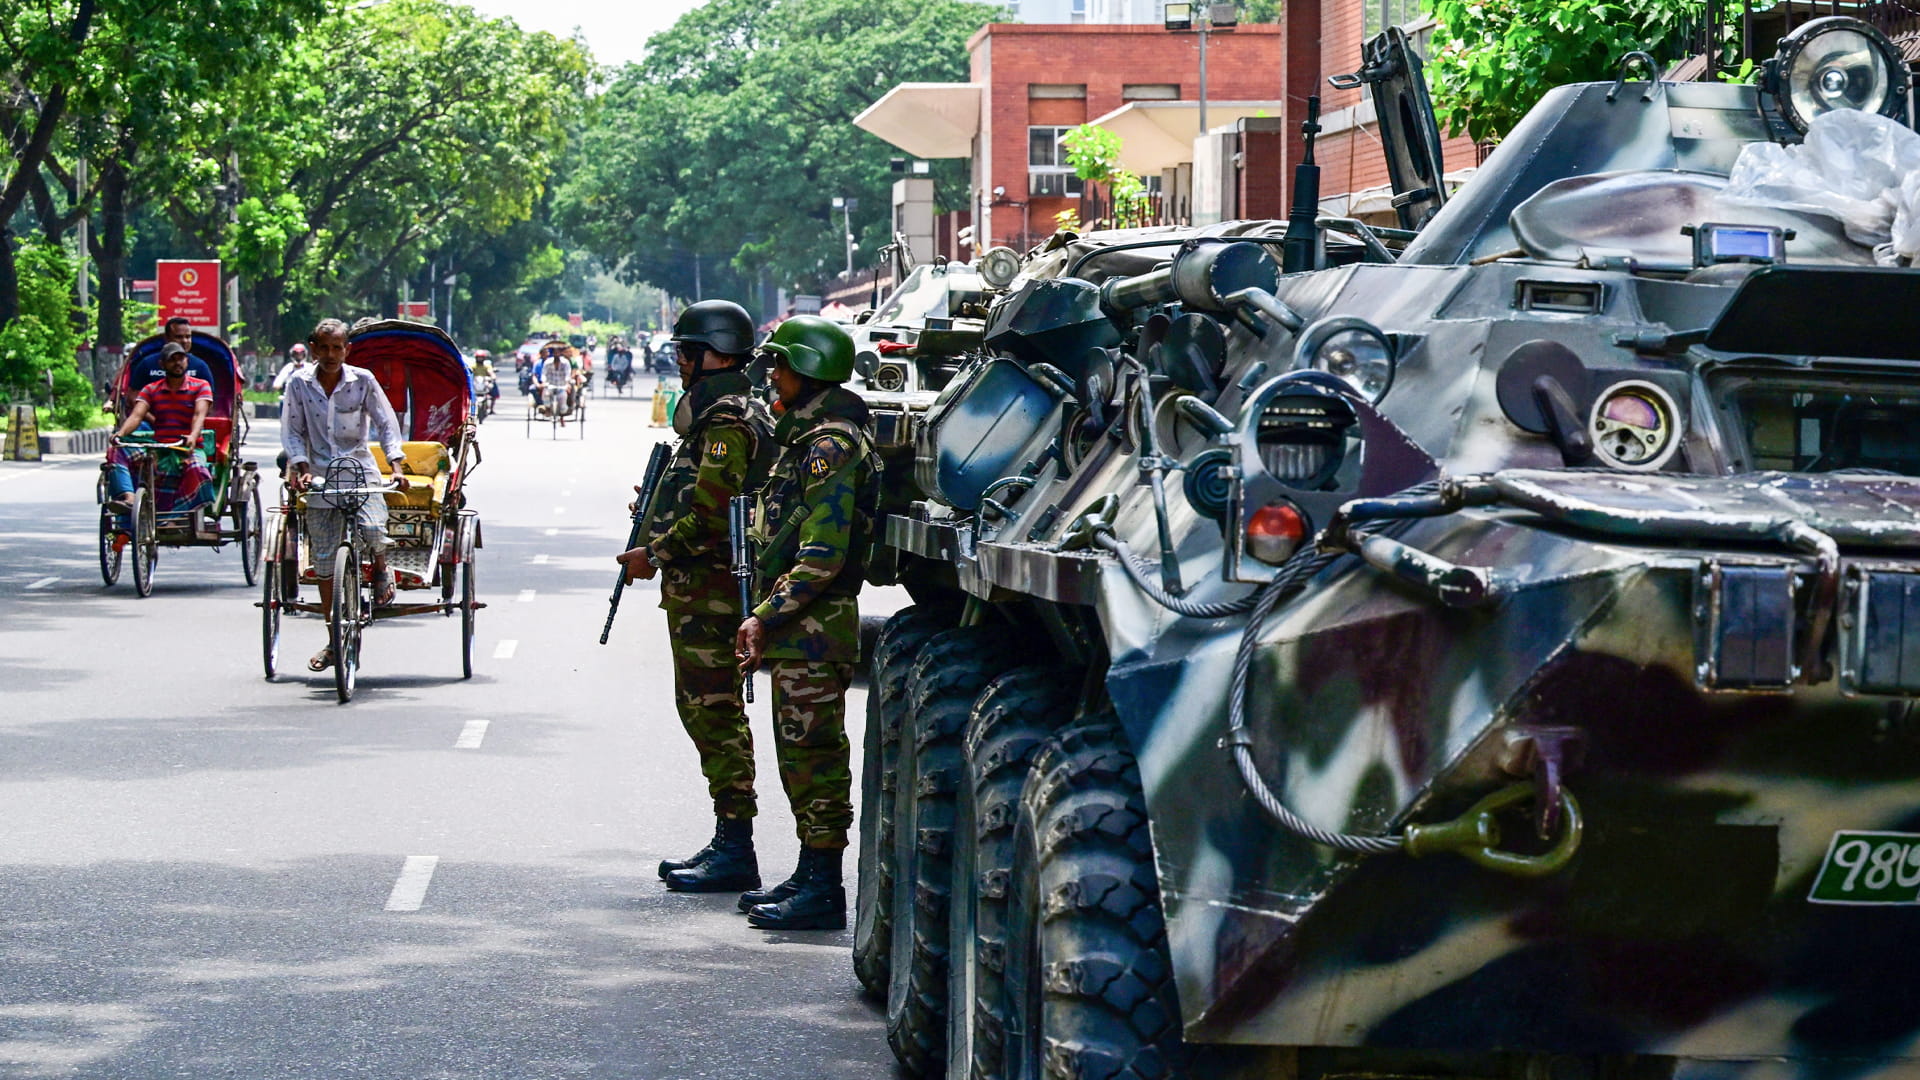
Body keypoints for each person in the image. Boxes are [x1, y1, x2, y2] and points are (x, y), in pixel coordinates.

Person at [615, 300, 776, 895]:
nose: (680, 361)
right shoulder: (722, 416)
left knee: (712, 710)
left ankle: (736, 845)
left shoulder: (725, 423)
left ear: (717, 354)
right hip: (705, 589)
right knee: (708, 709)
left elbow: (711, 517)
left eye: (687, 351)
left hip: (711, 591)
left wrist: (653, 553)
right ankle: (730, 838)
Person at [732, 315, 880, 931]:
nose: (773, 374)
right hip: (802, 628)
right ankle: (808, 872)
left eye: (781, 364)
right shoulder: (808, 438)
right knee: (797, 754)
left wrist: (764, 615)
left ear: (807, 370)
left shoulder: (830, 448)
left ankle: (823, 886)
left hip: (817, 627)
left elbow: (822, 554)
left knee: (815, 756)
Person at [281, 318, 411, 672]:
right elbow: (292, 431)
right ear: (313, 349)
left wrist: (396, 466)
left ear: (346, 350)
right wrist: (301, 466)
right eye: (323, 347)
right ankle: (333, 639)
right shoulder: (298, 383)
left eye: (336, 348)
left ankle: (381, 570)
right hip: (320, 475)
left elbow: (386, 424)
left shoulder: (362, 380)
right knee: (324, 561)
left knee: (373, 530)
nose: (330, 354)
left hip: (360, 469)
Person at [104, 341, 217, 526]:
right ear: (162, 364)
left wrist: (192, 436)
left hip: (188, 447)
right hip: (161, 446)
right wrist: (120, 434)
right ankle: (129, 497)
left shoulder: (200, 386)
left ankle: (176, 517)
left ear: (187, 361)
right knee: (117, 451)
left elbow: (199, 415)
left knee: (198, 471)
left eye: (181, 359)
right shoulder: (151, 389)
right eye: (172, 360)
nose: (177, 363)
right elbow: (137, 415)